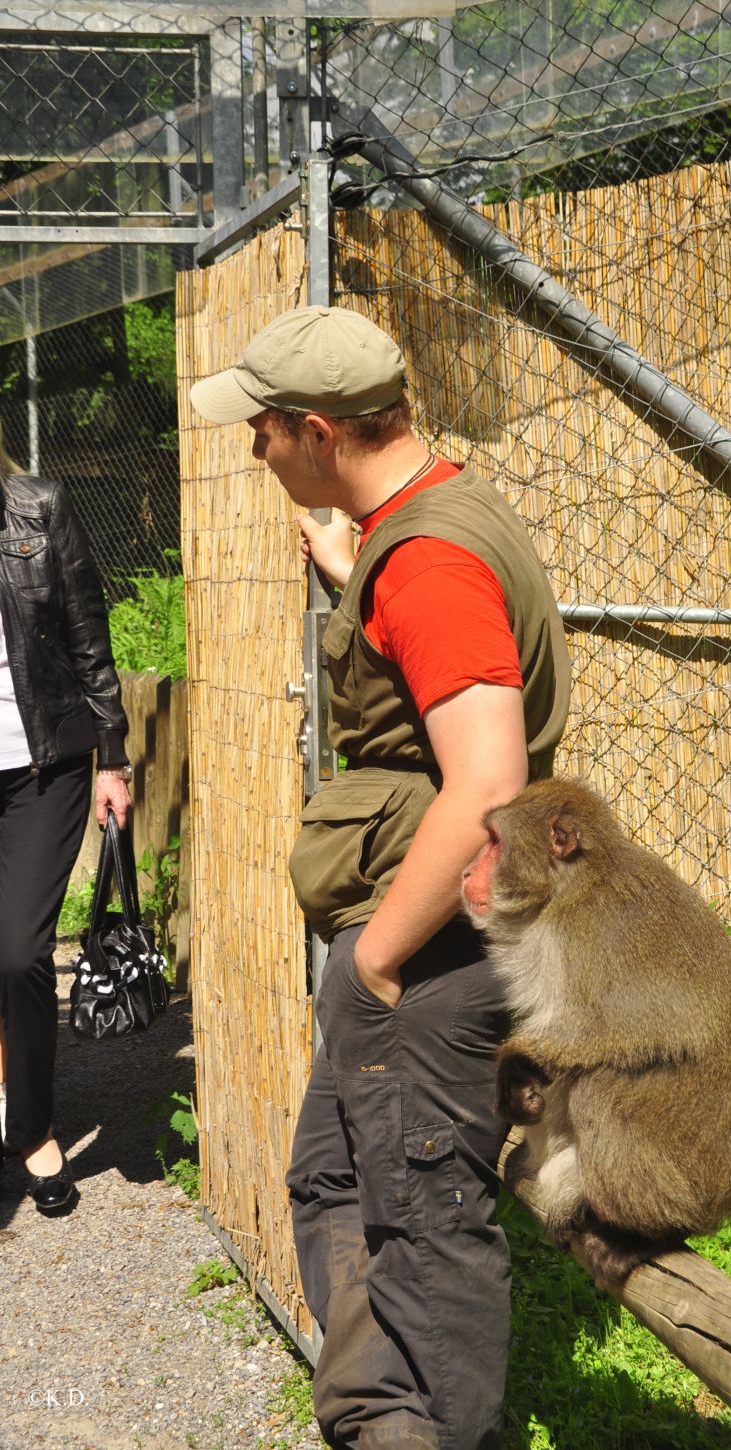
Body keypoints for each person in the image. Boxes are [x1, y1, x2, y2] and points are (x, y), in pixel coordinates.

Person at [191, 305, 571, 1450]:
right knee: (332, 1181)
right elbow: (436, 662)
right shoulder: (424, 522)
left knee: (422, 1219)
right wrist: (355, 571)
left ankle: (431, 1429)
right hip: (438, 946)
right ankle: (377, 1418)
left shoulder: (430, 563)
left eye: (264, 429)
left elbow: (486, 776)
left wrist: (373, 958)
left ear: (319, 431)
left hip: (431, 959)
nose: (254, 449)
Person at [0, 430, 132, 1215]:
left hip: (41, 764)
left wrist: (111, 756)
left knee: (17, 949)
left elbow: (88, 632)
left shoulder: (38, 508)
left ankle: (33, 1124)